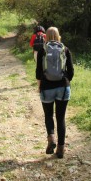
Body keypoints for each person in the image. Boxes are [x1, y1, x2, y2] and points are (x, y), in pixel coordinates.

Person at [36, 26, 74, 159]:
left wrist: (40, 86)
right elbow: (71, 72)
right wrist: (65, 80)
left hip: (47, 87)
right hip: (63, 87)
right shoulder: (65, 49)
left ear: (45, 36)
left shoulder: (43, 50)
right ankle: (61, 149)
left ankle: (51, 138)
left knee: (48, 115)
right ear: (59, 36)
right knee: (61, 118)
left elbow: (38, 72)